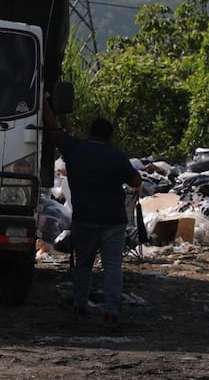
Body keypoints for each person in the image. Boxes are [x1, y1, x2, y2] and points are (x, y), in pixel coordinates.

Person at [43, 97, 142, 328]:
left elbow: (52, 129)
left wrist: (45, 98)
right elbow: (136, 181)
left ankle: (79, 306)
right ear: (109, 137)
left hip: (85, 219)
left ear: (91, 133)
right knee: (112, 267)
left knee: (83, 266)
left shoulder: (75, 147)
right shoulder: (116, 156)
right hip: (113, 222)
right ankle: (111, 313)